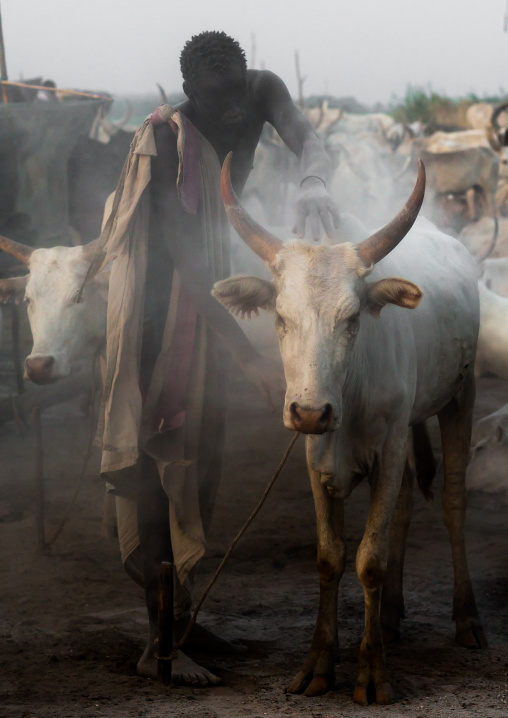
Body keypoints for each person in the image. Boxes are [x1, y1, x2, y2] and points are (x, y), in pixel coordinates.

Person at [83, 30, 339, 687]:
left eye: (237, 98)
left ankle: (185, 619)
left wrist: (312, 182)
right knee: (159, 457)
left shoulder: (262, 91)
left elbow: (308, 138)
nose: (231, 113)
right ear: (191, 95)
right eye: (216, 101)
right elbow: (181, 265)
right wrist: (253, 363)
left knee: (205, 454)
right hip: (158, 307)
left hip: (208, 285)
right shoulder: (169, 136)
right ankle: (158, 646)